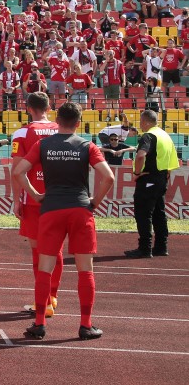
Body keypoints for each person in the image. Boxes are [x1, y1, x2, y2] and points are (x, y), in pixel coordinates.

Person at [13, 102, 114, 341]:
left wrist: (35, 195)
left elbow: (19, 171)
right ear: (78, 123)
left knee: (44, 269)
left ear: (57, 121)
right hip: (80, 209)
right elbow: (108, 177)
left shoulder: (43, 144)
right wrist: (95, 201)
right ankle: (85, 325)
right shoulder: (87, 146)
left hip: (51, 209)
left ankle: (39, 324)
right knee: (85, 270)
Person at [10, 92, 66, 316]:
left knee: (37, 250)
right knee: (57, 249)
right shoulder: (61, 128)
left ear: (28, 108)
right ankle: (53, 296)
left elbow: (17, 170)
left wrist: (16, 200)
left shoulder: (23, 132)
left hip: (33, 198)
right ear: (49, 106)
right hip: (60, 196)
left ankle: (42, 301)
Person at [126, 110, 179, 258]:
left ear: (147, 122)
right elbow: (173, 160)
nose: (140, 124)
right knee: (158, 213)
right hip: (162, 178)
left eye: (141, 122)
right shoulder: (165, 136)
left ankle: (145, 248)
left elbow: (141, 155)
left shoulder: (148, 136)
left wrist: (137, 173)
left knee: (143, 213)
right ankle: (161, 247)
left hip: (148, 178)